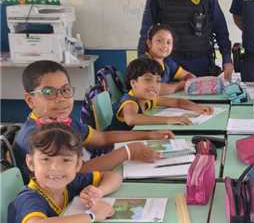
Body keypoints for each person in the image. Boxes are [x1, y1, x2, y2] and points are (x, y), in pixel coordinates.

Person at [14, 61, 175, 181]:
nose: (61, 98)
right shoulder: (34, 136)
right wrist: (127, 152)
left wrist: (148, 135)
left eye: (65, 90)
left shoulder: (63, 122)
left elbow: (103, 138)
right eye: (49, 92)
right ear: (30, 100)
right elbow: (77, 170)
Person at [7, 123, 122, 223]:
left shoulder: (69, 184)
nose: (55, 168)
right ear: (31, 162)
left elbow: (113, 176)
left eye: (66, 160)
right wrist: (92, 215)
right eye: (46, 159)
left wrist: (98, 191)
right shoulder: (29, 199)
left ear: (78, 164)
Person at [110, 58, 213, 129]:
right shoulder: (129, 101)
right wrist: (169, 119)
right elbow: (131, 119)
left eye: (158, 81)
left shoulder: (148, 98)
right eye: (148, 79)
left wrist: (198, 108)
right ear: (133, 83)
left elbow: (177, 102)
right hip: (114, 147)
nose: (154, 85)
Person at [144, 23, 195, 94]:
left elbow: (187, 75)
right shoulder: (144, 63)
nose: (164, 45)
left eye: (168, 42)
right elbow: (156, 89)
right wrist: (182, 84)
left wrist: (190, 78)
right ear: (149, 43)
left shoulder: (167, 62)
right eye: (159, 41)